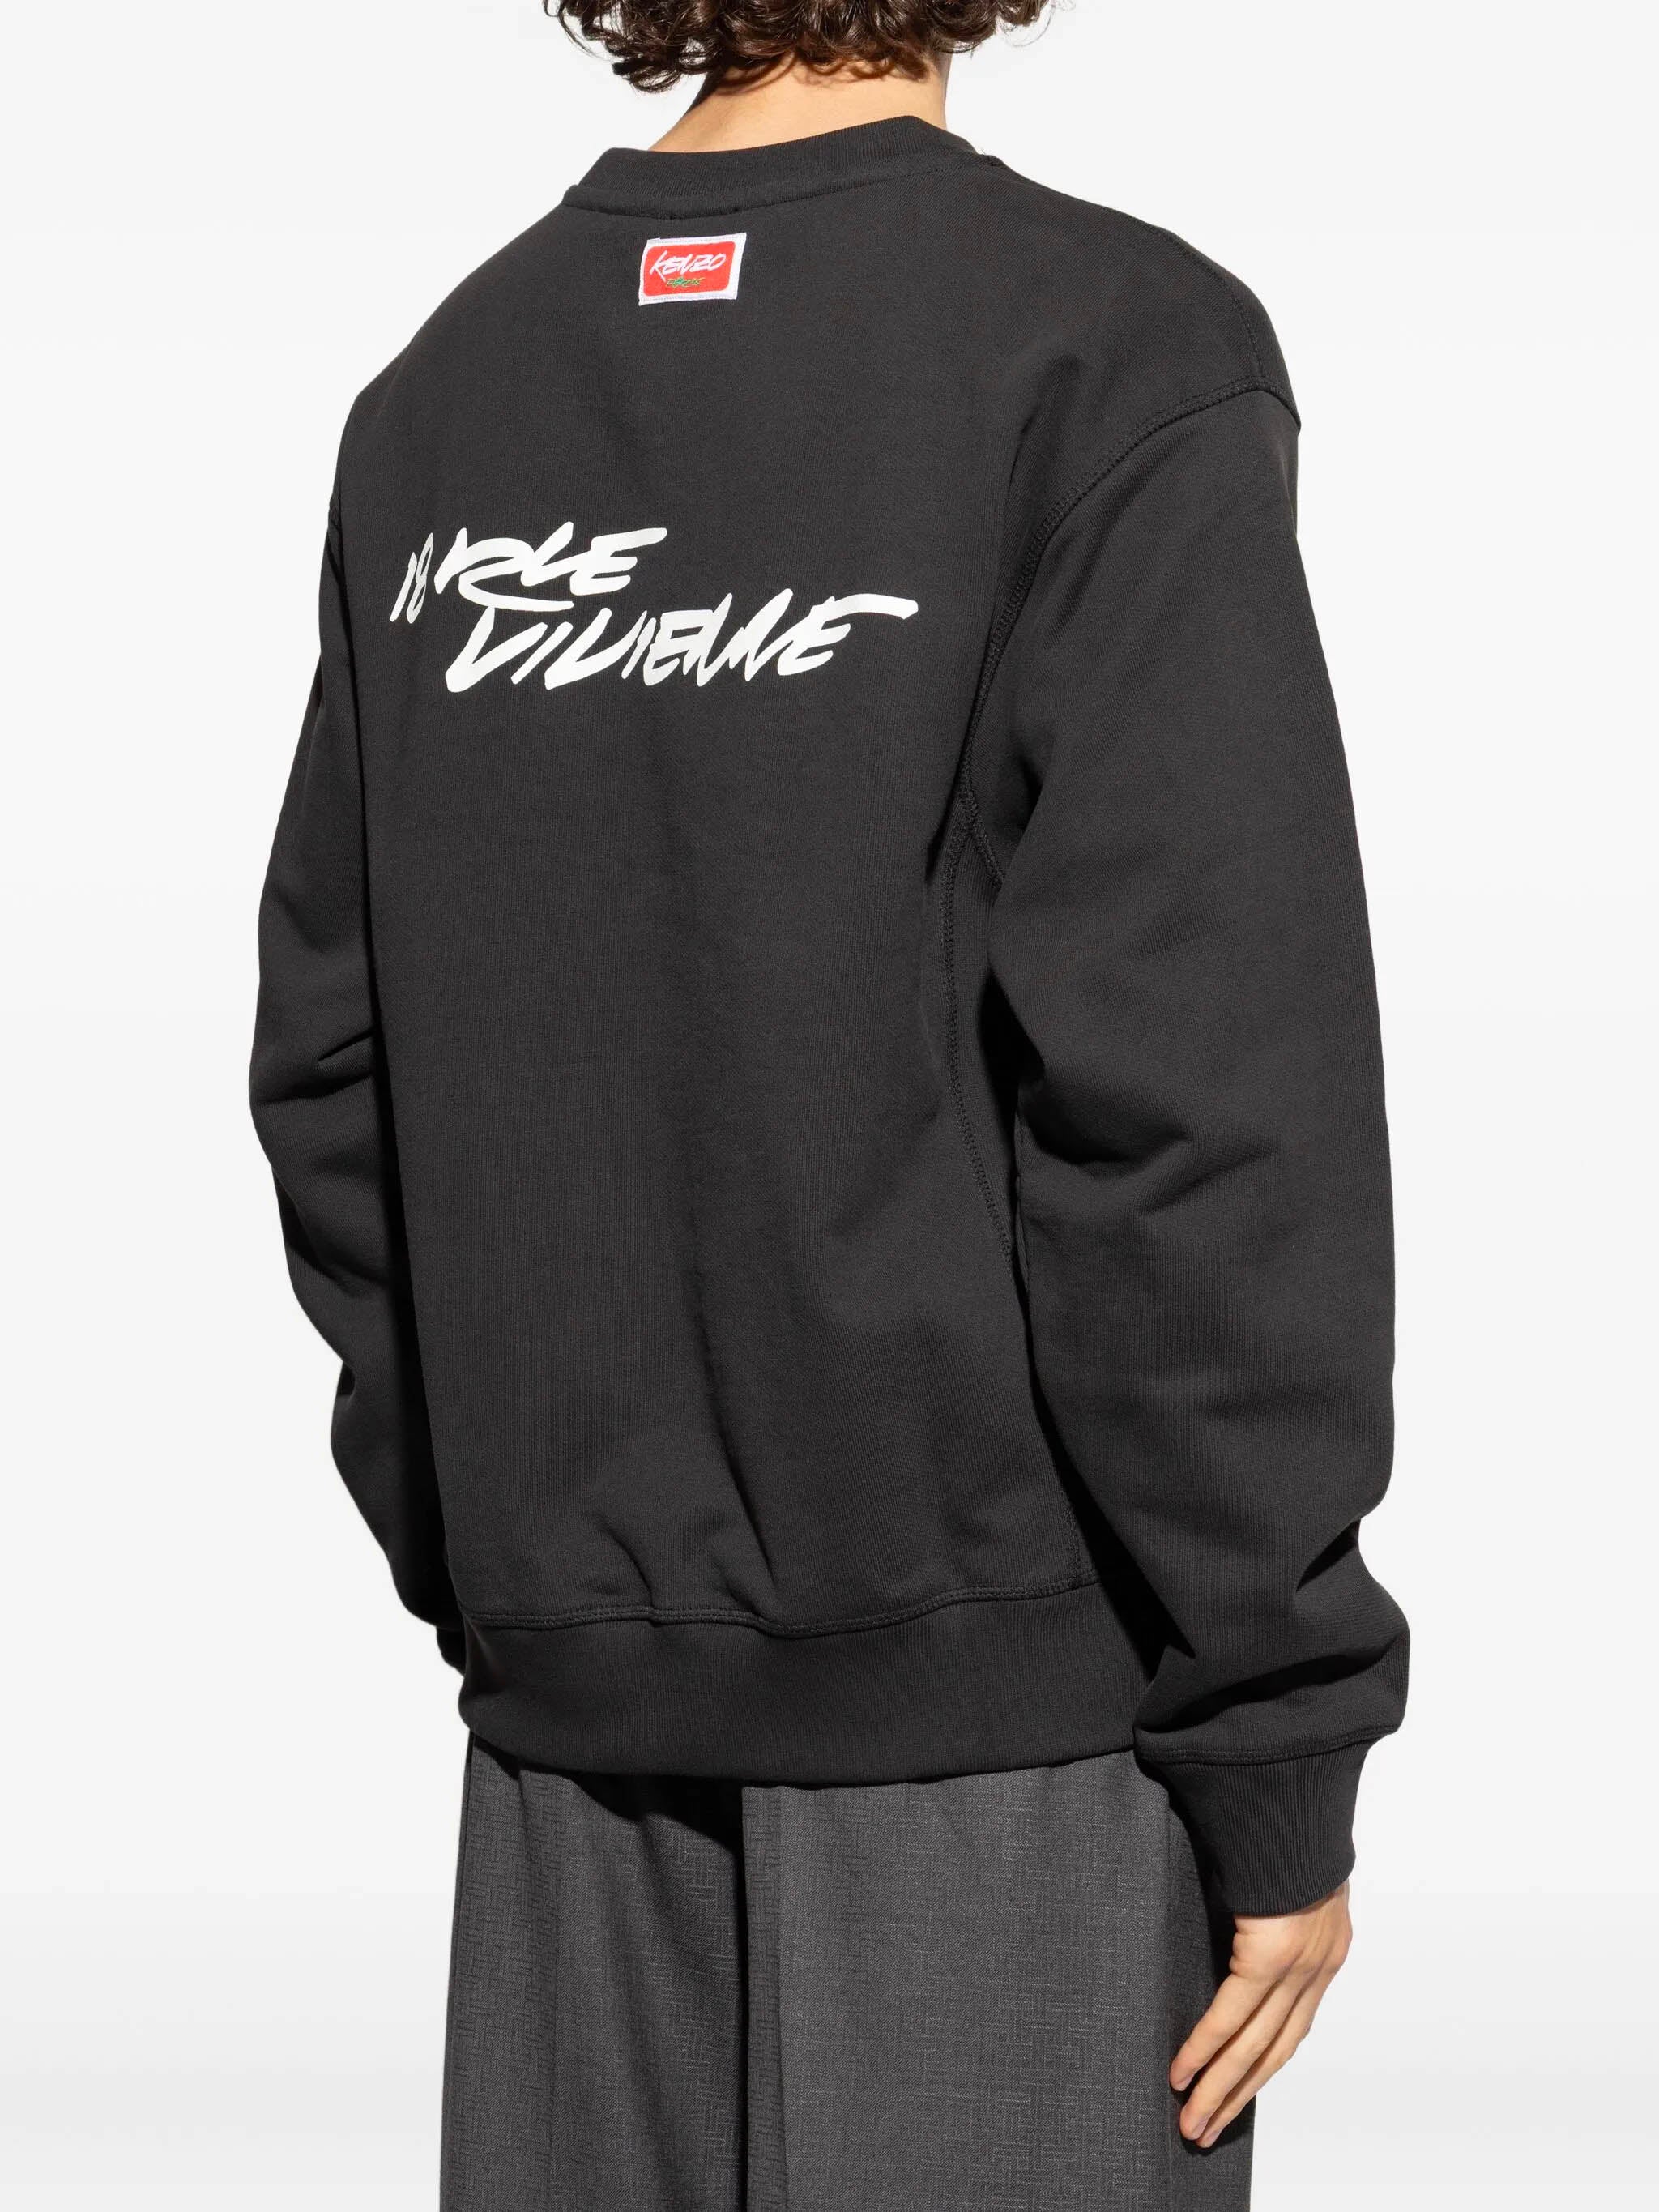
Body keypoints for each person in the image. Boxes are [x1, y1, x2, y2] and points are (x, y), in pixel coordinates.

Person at [251, 3, 1408, 2205]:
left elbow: (332, 1065)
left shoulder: (443, 400)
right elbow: (1195, 1103)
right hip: (1013, 1748)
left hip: (574, 1763)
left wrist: (538, 1576)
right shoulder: (1107, 356)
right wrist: (1280, 1724)